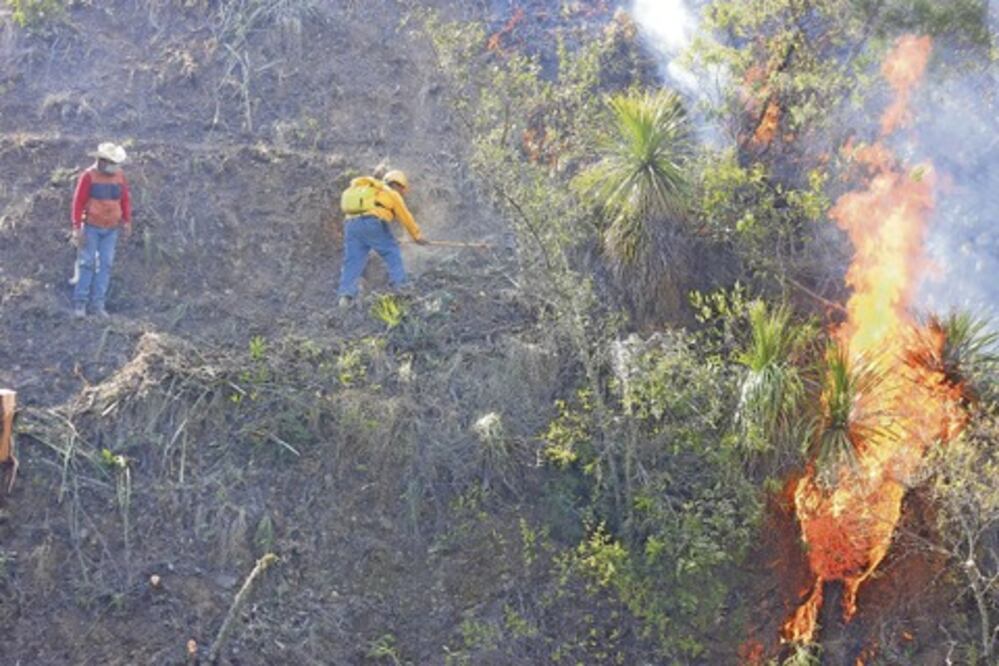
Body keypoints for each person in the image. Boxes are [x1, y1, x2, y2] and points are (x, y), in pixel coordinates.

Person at [336, 169, 427, 307]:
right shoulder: (391, 193)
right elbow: (405, 217)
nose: (402, 193)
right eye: (402, 189)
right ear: (398, 185)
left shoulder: (370, 191)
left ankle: (345, 296)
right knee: (392, 253)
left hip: (351, 225)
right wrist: (417, 236)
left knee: (353, 261)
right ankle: (401, 288)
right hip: (372, 222)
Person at [70, 142, 132, 319]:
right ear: (102, 161)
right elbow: (78, 202)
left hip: (111, 229)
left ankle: (98, 304)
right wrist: (76, 227)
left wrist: (127, 220)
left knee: (106, 264)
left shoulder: (120, 176)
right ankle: (80, 303)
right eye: (112, 162)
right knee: (87, 263)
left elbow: (125, 199)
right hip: (91, 227)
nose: (115, 166)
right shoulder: (88, 176)